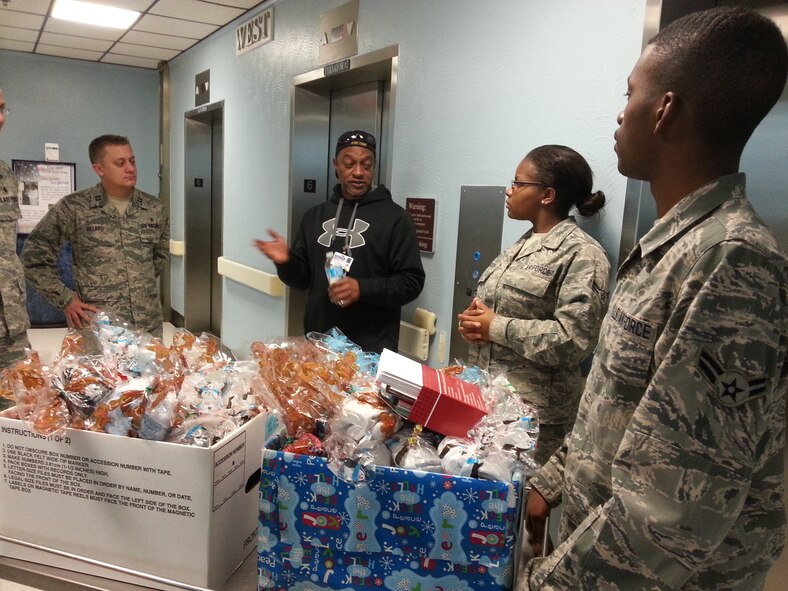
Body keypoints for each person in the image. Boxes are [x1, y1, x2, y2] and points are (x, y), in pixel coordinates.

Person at [521, 7, 787, 590]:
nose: (620, 114)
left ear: (664, 112)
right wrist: (551, 481)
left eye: (630, 94)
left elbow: (670, 517)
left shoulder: (731, 262)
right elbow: (617, 402)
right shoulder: (671, 248)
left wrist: (548, 584)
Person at [458, 145, 610, 465]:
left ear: (547, 194)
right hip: (490, 403)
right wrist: (476, 325)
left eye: (518, 183)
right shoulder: (523, 244)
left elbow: (574, 340)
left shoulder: (582, 254)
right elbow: (497, 311)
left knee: (523, 508)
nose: (509, 191)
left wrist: (495, 326)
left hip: (535, 419)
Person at [255, 130, 424, 353]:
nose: (358, 172)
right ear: (336, 165)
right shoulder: (314, 216)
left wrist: (361, 288)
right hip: (318, 344)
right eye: (349, 164)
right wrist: (285, 261)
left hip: (371, 350)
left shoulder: (396, 219)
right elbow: (301, 281)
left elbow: (411, 282)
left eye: (366, 165)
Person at [21, 135, 169, 336]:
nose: (130, 168)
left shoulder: (154, 208)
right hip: (98, 326)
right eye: (120, 163)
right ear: (99, 169)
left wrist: (135, 283)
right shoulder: (75, 207)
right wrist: (65, 299)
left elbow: (159, 258)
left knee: (151, 368)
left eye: (132, 161)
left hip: (146, 325)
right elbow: (33, 257)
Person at [0, 84, 30, 373]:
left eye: (1, 108)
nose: (0, 118)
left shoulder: (5, 174)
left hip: (11, 325)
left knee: (19, 410)